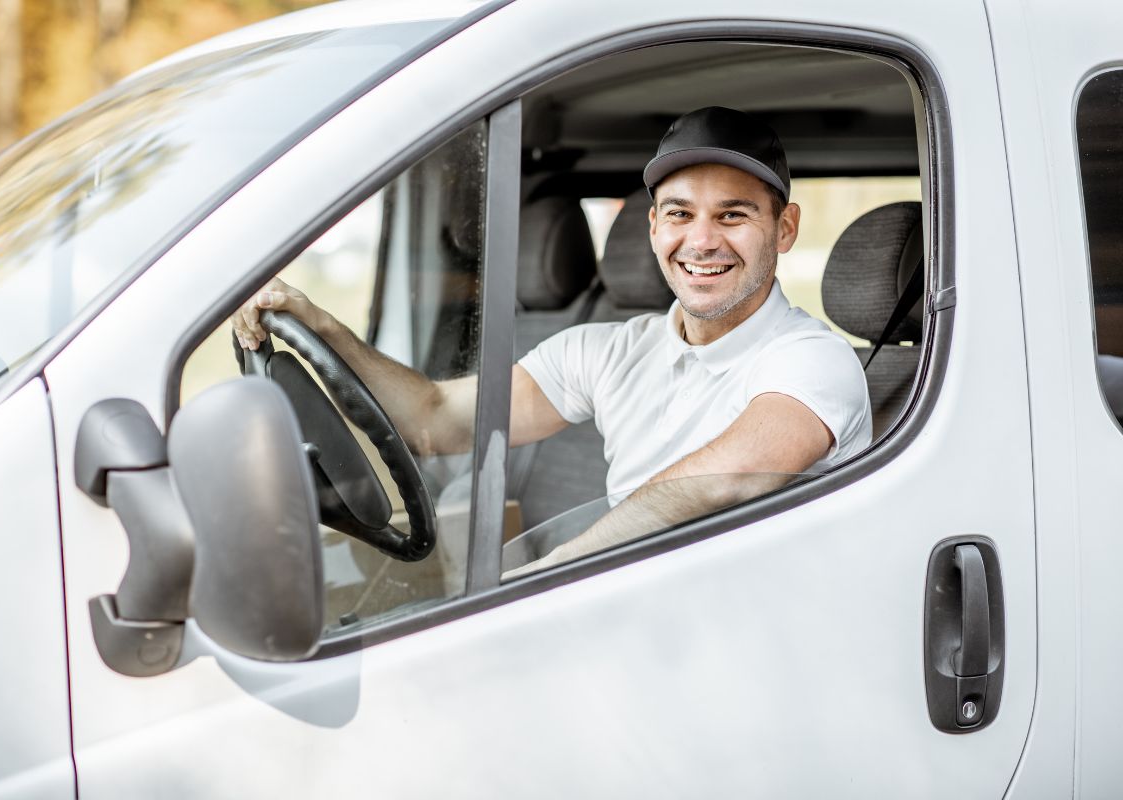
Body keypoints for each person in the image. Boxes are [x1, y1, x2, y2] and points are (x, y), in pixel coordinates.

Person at [232, 106, 872, 578]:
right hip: (635, 612)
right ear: (652, 228)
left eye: (733, 215)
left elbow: (715, 487)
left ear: (784, 228)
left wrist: (549, 579)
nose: (701, 240)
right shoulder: (607, 350)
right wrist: (321, 325)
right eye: (680, 213)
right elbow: (434, 419)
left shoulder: (813, 360)